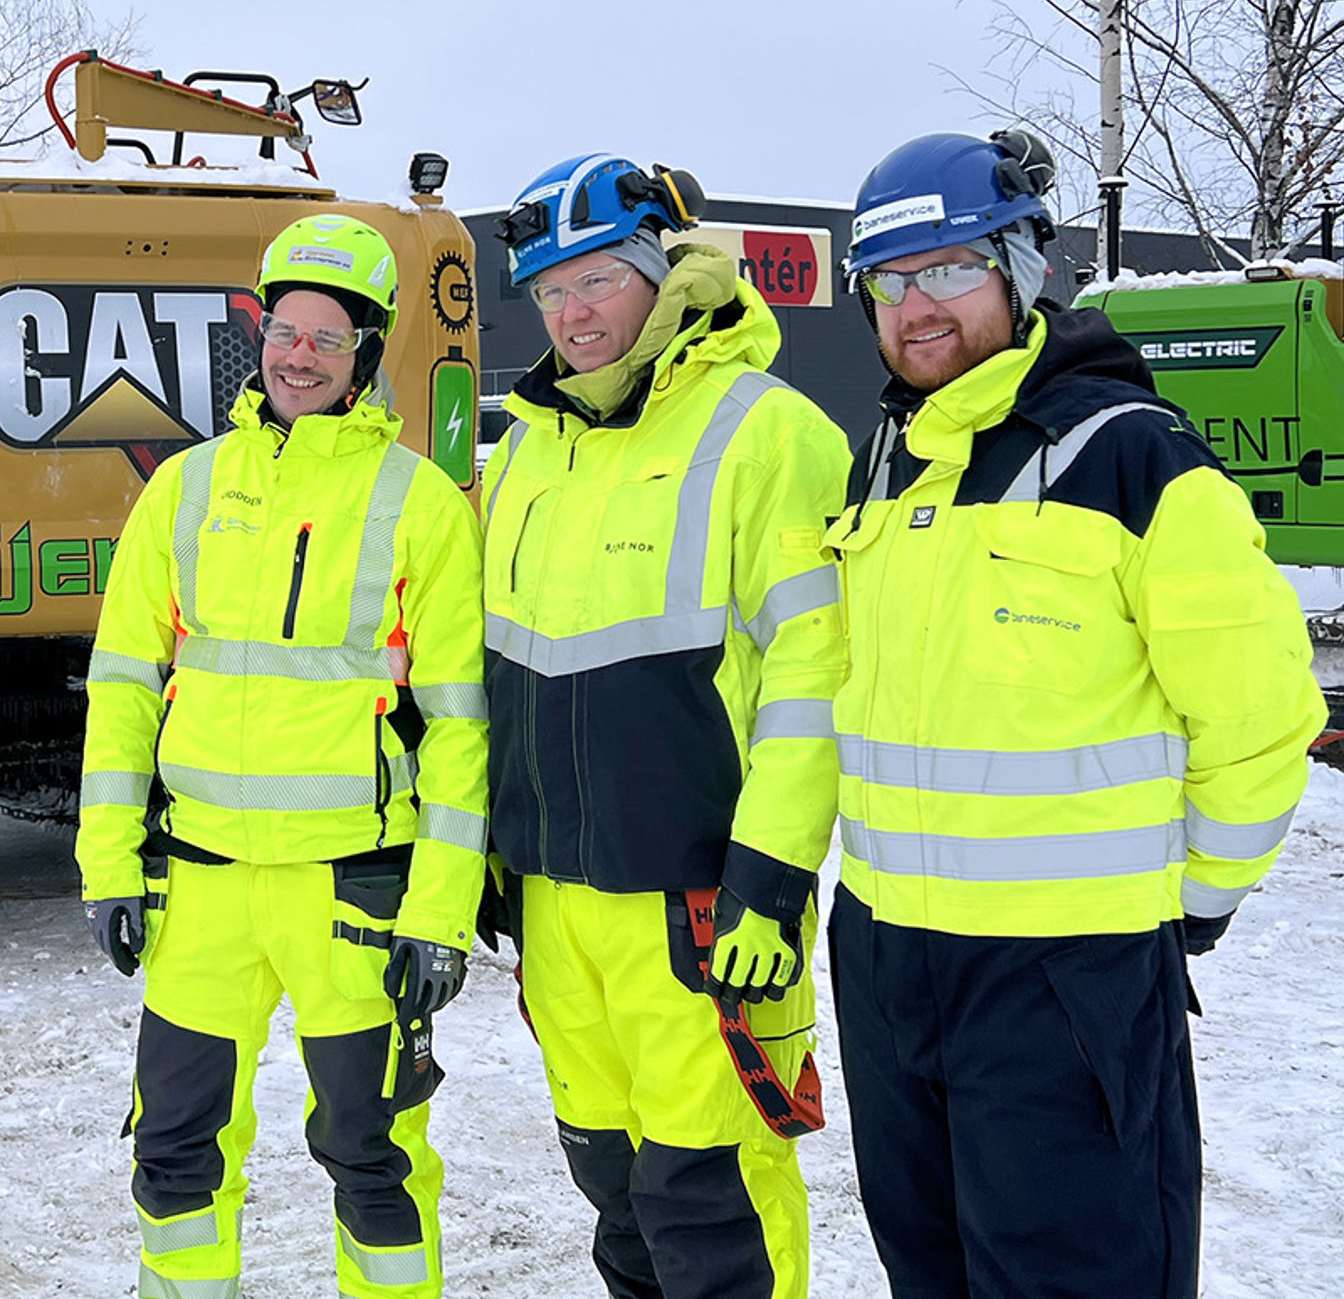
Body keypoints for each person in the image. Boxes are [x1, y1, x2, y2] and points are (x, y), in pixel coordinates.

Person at [827, 129, 1324, 1299]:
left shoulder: (1135, 459)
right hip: (891, 965)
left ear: (1019, 267)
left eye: (948, 269)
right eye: (890, 284)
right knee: (932, 1268)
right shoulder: (886, 468)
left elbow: (1260, 720)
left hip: (1067, 977)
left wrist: (1187, 907)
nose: (918, 307)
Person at [76, 212, 488, 1299]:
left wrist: (440, 913)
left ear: (367, 350)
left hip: (352, 894)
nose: (298, 354)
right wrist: (111, 867)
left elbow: (460, 729)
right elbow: (121, 690)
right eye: (284, 329)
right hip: (200, 890)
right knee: (172, 1156)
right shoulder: (187, 489)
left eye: (328, 337)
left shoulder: (421, 503)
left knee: (374, 1163)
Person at [481, 153, 852, 1299]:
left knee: (713, 1201)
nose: (573, 316)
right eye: (548, 293)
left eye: (595, 281)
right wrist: (491, 854)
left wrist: (774, 872)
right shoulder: (530, 445)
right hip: (556, 900)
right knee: (615, 1190)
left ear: (661, 269)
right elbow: (494, 665)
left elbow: (815, 672)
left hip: (700, 905)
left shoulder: (770, 432)